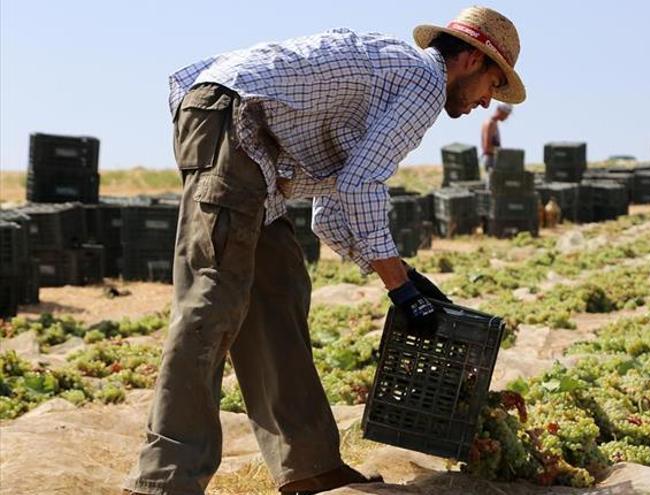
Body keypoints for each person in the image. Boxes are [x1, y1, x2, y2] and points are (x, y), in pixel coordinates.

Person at [122, 5, 525, 495]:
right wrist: (399, 286)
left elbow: (331, 211)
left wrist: (401, 278)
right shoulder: (423, 82)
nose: (488, 102)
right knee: (213, 300)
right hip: (231, 118)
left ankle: (309, 465)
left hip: (253, 143)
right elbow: (360, 186)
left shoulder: (400, 79)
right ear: (469, 59)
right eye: (493, 84)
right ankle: (165, 479)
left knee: (279, 289)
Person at [480, 102, 513, 171]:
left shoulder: (494, 123)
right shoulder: (490, 123)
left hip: (492, 159)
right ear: (499, 110)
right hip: (491, 160)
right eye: (506, 114)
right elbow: (487, 147)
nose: (507, 117)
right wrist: (503, 153)